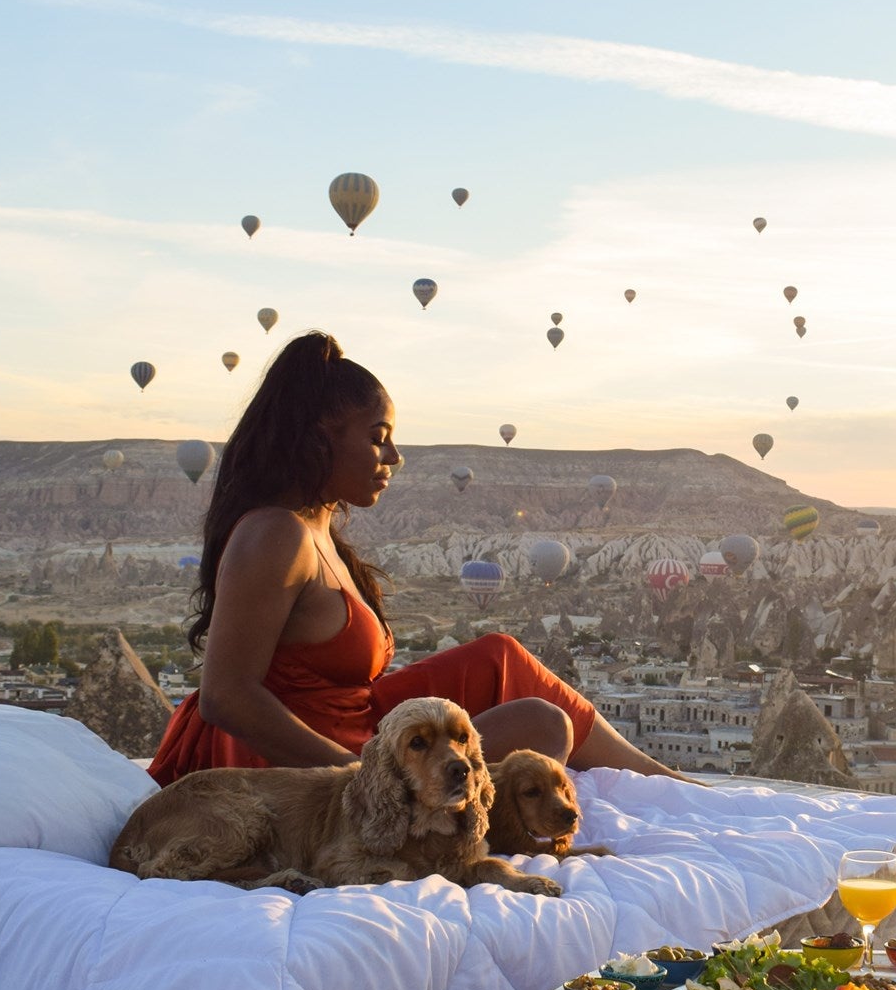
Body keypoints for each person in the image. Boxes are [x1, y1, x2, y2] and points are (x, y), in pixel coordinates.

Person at [147, 330, 688, 787]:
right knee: (542, 729)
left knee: (500, 657)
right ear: (318, 438)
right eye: (378, 438)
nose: (394, 458)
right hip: (304, 762)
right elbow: (225, 696)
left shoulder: (317, 529)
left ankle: (663, 784)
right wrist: (366, 779)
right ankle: (664, 791)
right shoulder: (274, 534)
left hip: (356, 726)